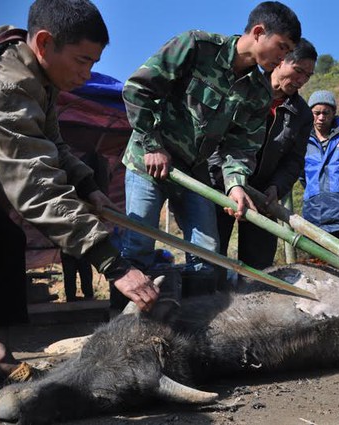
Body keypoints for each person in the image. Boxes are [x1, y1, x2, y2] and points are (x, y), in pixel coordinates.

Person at [0, 0, 158, 382]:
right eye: (82, 61)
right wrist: (114, 265)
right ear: (45, 42)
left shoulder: (38, 79)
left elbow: (52, 143)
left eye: (94, 64)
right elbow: (35, 183)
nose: (87, 73)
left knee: (4, 238)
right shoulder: (7, 84)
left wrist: (87, 186)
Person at [119, 2, 301, 289]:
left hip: (193, 171)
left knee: (207, 258)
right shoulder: (196, 46)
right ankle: (119, 327)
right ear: (258, 32)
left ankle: (192, 326)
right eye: (282, 47)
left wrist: (235, 185)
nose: (283, 58)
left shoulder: (259, 91)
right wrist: (153, 145)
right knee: (137, 247)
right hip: (149, 163)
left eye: (288, 52)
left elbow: (241, 145)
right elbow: (137, 89)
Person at [213, 38, 316, 270]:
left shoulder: (302, 114)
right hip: (220, 186)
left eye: (307, 76)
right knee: (210, 259)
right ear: (281, 61)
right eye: (298, 70)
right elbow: (215, 136)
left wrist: (277, 188)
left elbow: (294, 160)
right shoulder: (244, 88)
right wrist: (228, 183)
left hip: (263, 195)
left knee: (259, 269)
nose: (301, 80)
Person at [300, 90, 339, 264]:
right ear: (310, 114)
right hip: (315, 217)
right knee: (319, 276)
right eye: (316, 113)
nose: (321, 117)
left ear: (333, 113)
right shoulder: (301, 143)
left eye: (326, 113)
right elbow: (302, 178)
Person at [61, 150, 110, 301]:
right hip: (71, 232)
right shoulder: (72, 179)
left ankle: (82, 297)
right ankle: (79, 297)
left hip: (73, 233)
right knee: (76, 267)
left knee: (78, 266)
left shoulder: (75, 179)